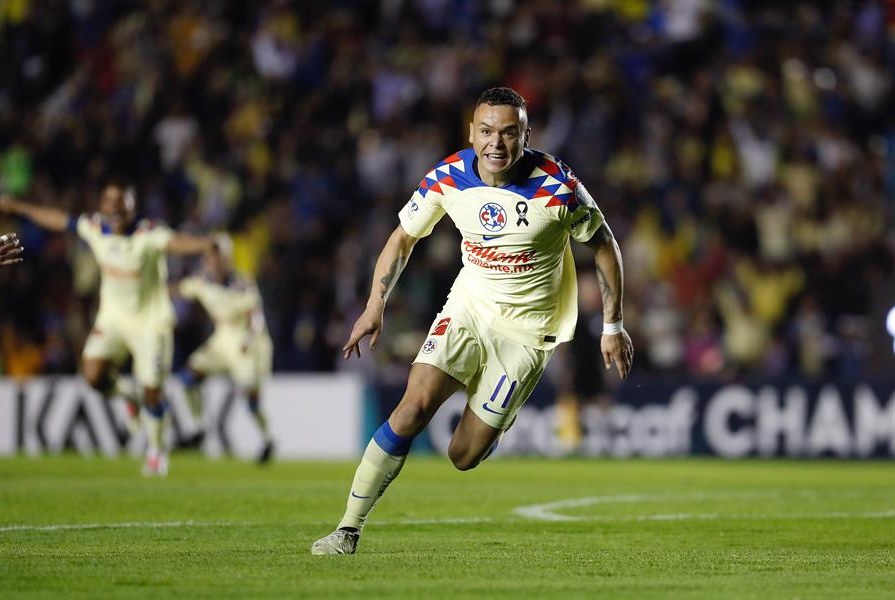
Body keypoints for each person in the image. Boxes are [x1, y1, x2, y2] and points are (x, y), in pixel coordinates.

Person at [311, 87, 634, 555]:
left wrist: (612, 325)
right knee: (414, 405)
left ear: (526, 134)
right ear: (471, 132)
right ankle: (347, 528)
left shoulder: (556, 186)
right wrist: (374, 306)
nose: (496, 143)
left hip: (526, 333)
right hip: (469, 307)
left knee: (462, 456)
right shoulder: (447, 177)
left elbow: (604, 244)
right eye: (485, 131)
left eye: (508, 132)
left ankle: (492, 424)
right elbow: (404, 238)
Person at [0, 183, 215, 476]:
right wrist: (18, 207)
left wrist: (205, 244)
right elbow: (58, 219)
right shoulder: (95, 227)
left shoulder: (147, 233)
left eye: (120, 204)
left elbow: (176, 242)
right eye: (109, 202)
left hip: (150, 322)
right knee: (92, 375)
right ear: (102, 205)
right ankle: (127, 394)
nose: (114, 209)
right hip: (112, 320)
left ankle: (155, 452)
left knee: (153, 390)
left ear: (132, 208)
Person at [175, 234, 274, 464]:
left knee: (252, 399)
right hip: (221, 339)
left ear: (227, 259)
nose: (214, 262)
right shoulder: (202, 281)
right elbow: (180, 289)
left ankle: (267, 439)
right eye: (211, 257)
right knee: (188, 378)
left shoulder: (242, 282)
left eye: (218, 257)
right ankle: (199, 428)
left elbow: (256, 316)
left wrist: (249, 339)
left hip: (245, 342)